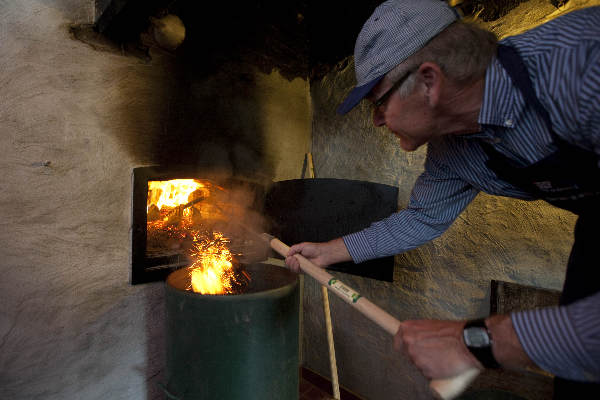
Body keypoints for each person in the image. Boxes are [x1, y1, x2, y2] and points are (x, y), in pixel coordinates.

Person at [284, 0, 600, 397]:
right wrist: (329, 251)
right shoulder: (452, 150)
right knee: (577, 375)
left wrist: (479, 341)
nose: (377, 121)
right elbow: (421, 219)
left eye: (378, 103)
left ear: (430, 81)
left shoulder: (583, 65)